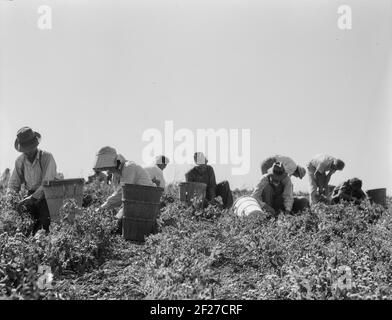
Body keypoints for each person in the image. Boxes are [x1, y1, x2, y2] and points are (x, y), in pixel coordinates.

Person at [93, 146, 155, 234]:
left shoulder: (129, 167)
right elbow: (118, 196)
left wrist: (101, 209)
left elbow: (123, 194)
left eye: (108, 167)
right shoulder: (116, 174)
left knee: (116, 226)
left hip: (147, 201)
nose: (108, 170)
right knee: (114, 225)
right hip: (133, 203)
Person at [7, 127, 57, 234]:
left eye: (30, 148)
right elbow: (13, 184)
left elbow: (47, 183)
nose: (28, 151)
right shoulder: (20, 161)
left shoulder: (47, 157)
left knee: (45, 223)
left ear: (35, 144)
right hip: (30, 196)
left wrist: (33, 198)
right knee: (25, 226)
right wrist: (11, 198)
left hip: (47, 196)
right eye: (26, 149)